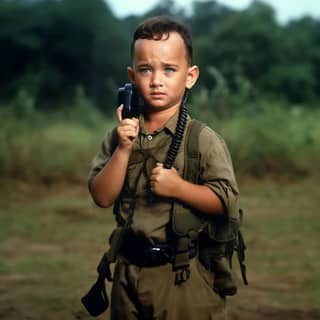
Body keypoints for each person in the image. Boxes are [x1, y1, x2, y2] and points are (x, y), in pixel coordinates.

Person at [88, 16, 239, 320]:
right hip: (127, 273)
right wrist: (124, 149)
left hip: (180, 276)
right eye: (146, 70)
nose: (156, 80)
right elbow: (102, 197)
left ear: (190, 76)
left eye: (169, 69)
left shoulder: (202, 140)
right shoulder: (120, 136)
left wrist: (178, 187)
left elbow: (226, 202)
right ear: (132, 77)